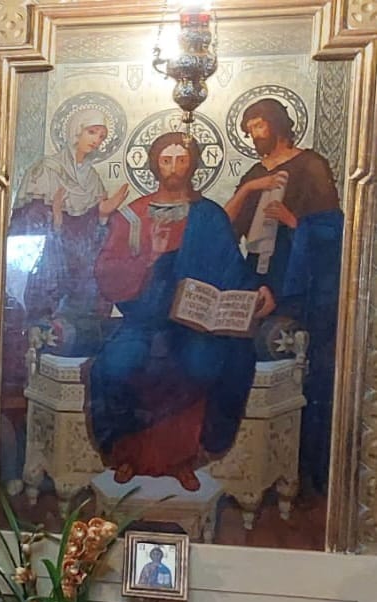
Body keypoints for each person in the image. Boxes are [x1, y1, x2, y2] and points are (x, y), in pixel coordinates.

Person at [90, 132, 274, 491]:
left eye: (181, 160)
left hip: (194, 324)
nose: (174, 167)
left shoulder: (210, 216)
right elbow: (106, 271)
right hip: (142, 320)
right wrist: (150, 258)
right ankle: (126, 454)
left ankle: (182, 458)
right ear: (154, 164)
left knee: (201, 364)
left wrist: (258, 290)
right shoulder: (133, 215)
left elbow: (232, 269)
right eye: (166, 160)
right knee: (115, 366)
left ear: (193, 165)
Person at [224, 98, 343, 494]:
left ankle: (297, 470)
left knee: (281, 351)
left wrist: (294, 222)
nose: (254, 135)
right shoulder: (257, 172)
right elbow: (227, 230)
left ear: (276, 124)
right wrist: (249, 189)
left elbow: (335, 231)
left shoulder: (310, 165)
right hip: (256, 279)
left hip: (299, 283)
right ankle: (238, 462)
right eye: (249, 129)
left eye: (258, 125)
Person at [10, 105, 129, 335]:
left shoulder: (92, 179)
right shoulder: (46, 170)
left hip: (79, 262)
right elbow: (27, 224)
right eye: (92, 132)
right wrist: (55, 218)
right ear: (76, 130)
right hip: (49, 259)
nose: (96, 141)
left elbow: (91, 234)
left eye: (101, 136)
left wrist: (103, 214)